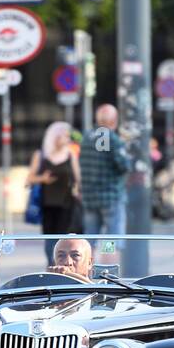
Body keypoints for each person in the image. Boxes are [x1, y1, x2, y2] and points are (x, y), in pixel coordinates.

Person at [28, 121, 80, 264]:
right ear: (54, 137)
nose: (67, 139)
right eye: (63, 136)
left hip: (67, 204)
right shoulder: (41, 155)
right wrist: (43, 178)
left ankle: (63, 267)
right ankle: (51, 266)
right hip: (48, 205)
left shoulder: (70, 154)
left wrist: (78, 191)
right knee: (49, 240)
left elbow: (78, 178)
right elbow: (29, 179)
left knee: (64, 238)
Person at [78, 104, 130, 236]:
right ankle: (109, 256)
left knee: (90, 235)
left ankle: (89, 256)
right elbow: (124, 166)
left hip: (89, 197)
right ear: (114, 120)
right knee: (112, 237)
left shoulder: (86, 137)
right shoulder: (113, 139)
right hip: (110, 197)